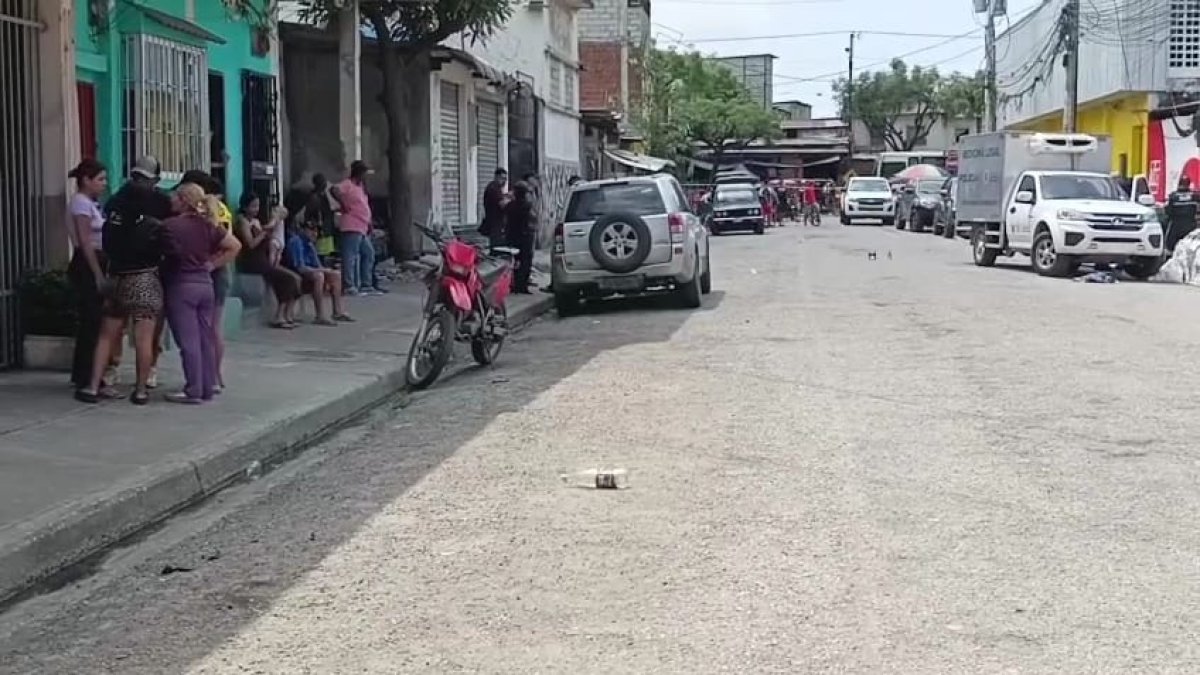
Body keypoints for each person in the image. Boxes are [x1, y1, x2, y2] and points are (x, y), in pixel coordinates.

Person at [75, 158, 173, 404]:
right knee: (143, 337)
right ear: (155, 179)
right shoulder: (160, 202)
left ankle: (92, 387)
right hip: (144, 276)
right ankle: (140, 391)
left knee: (106, 334)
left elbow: (108, 236)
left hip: (116, 274)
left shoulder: (116, 199)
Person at [161, 183, 241, 404]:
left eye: (175, 197)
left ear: (183, 200)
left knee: (188, 341)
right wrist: (212, 264)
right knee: (205, 338)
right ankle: (207, 386)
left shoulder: (170, 225)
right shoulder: (209, 225)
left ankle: (193, 389)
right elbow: (235, 246)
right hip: (205, 284)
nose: (171, 200)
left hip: (181, 285)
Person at [66, 159, 112, 395]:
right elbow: (84, 241)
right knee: (91, 321)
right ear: (86, 180)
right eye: (100, 179)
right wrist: (97, 274)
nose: (104, 184)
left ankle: (86, 373)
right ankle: (87, 376)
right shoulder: (81, 204)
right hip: (88, 262)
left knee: (94, 321)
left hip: (97, 259)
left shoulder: (92, 203)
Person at [235, 193, 302, 328]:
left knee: (296, 278)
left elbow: (265, 238)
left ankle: (286, 314)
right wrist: (264, 232)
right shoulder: (243, 222)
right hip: (252, 262)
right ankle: (278, 316)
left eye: (257, 206)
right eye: (253, 206)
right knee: (286, 279)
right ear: (245, 207)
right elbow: (251, 244)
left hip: (263, 259)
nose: (256, 209)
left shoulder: (256, 221)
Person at [285, 221, 354, 325]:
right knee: (319, 276)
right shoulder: (296, 241)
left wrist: (327, 271)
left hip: (310, 273)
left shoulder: (310, 244)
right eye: (311, 230)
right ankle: (320, 315)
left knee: (335, 274)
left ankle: (337, 312)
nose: (314, 234)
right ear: (303, 230)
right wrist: (321, 271)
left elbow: (318, 265)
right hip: (296, 274)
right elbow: (300, 268)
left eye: (316, 231)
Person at [336, 160, 379, 295]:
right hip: (351, 225)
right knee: (350, 256)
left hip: (362, 226)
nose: (366, 176)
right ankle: (349, 285)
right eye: (364, 173)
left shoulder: (360, 187)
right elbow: (334, 190)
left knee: (368, 253)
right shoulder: (347, 184)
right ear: (359, 173)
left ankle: (366, 284)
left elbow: (364, 206)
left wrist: (369, 223)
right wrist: (343, 204)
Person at [505, 181, 537, 294]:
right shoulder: (527, 206)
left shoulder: (510, 205)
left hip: (512, 236)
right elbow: (533, 219)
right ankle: (522, 285)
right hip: (525, 237)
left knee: (515, 261)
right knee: (525, 262)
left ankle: (514, 284)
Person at [478, 167, 510, 251]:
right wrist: (511, 200)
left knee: (497, 247)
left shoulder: (495, 188)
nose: (504, 181)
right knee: (497, 248)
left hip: (495, 223)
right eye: (502, 178)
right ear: (496, 177)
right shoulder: (494, 188)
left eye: (505, 179)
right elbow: (502, 204)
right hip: (495, 223)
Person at [1166, 175, 1199, 252]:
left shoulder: (1173, 196)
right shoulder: (1194, 196)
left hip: (1176, 226)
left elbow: (1168, 212)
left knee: (1171, 247)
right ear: (1189, 184)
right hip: (1190, 226)